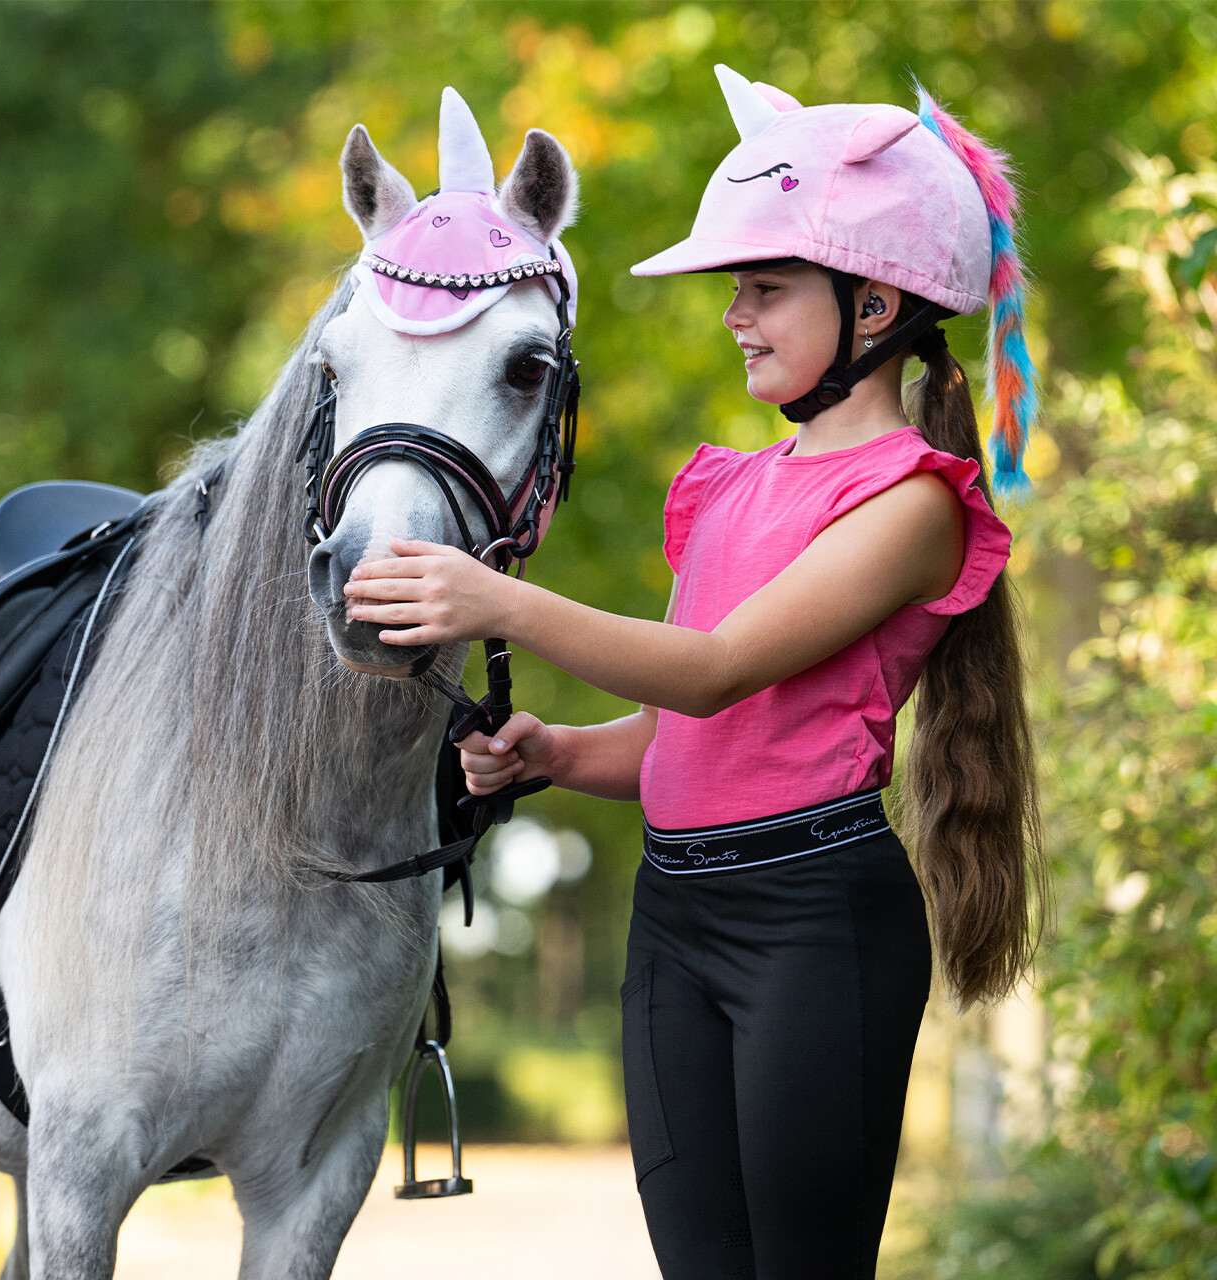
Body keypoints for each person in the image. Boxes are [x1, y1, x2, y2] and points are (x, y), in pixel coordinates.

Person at [343, 66, 1049, 1280]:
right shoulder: (730, 483)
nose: (735, 315)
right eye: (737, 290)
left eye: (765, 288)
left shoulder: (910, 505)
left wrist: (495, 598)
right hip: (673, 918)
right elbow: (683, 728)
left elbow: (715, 670)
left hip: (811, 924)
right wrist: (557, 752)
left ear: (873, 304)